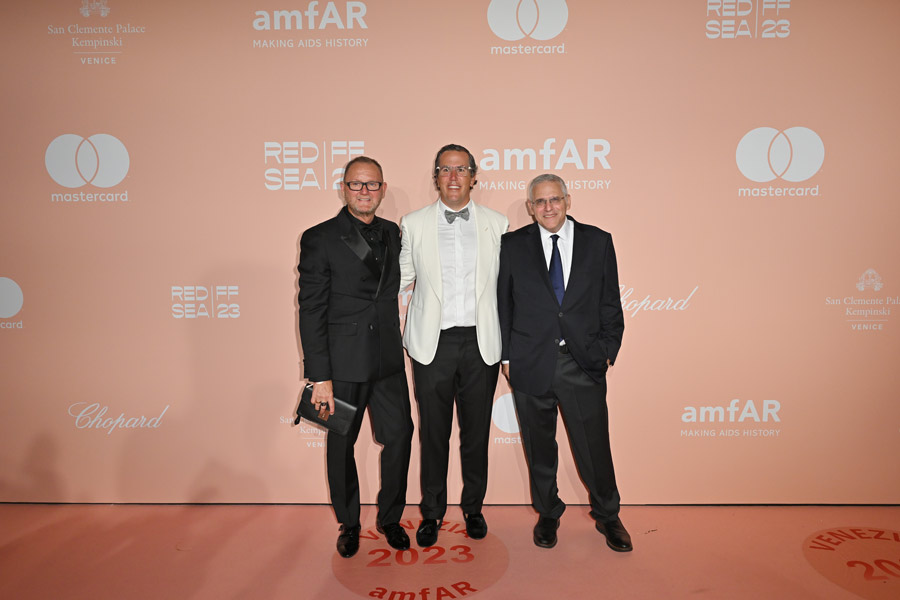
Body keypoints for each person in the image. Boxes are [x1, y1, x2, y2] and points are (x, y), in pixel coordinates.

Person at [497, 173, 631, 551]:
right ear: (529, 208)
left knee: (594, 448)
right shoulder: (512, 245)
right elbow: (503, 305)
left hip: (582, 363)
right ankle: (548, 513)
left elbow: (610, 302)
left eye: (554, 199)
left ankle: (608, 515)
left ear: (568, 201)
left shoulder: (598, 241)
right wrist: (507, 356)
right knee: (539, 449)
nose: (548, 207)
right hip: (529, 363)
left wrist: (607, 349)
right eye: (539, 202)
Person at [297, 156, 414, 558]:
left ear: (382, 189)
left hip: (387, 360)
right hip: (342, 363)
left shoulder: (394, 233)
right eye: (356, 185)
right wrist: (319, 376)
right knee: (340, 444)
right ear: (344, 188)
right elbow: (311, 309)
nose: (364, 192)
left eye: (372, 185)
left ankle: (390, 518)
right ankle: (349, 523)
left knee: (400, 436)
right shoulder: (320, 237)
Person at [399, 143, 508, 547]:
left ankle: (474, 509)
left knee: (476, 433)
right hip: (432, 345)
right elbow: (401, 279)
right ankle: (432, 513)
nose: (453, 177)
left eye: (461, 169)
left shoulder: (497, 224)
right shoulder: (413, 223)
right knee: (434, 433)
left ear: (474, 176)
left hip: (482, 343)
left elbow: (506, 289)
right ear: (436, 177)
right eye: (445, 169)